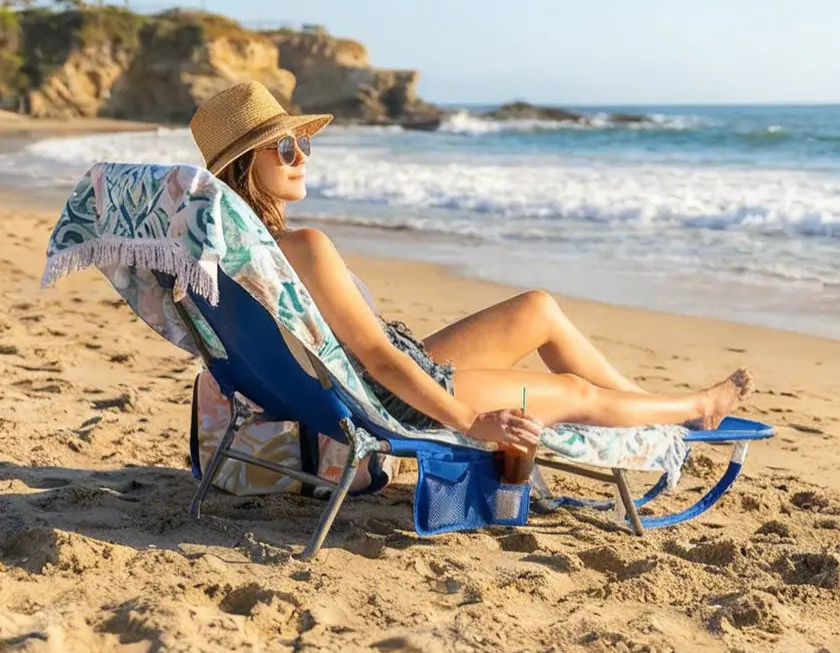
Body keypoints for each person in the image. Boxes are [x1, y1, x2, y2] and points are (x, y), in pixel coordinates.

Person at [190, 81, 755, 450]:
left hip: (386, 375)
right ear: (244, 168)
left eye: (302, 145)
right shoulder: (304, 248)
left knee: (538, 307)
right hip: (400, 400)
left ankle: (644, 406)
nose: (302, 158)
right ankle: (695, 408)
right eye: (285, 149)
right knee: (577, 392)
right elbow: (379, 360)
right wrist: (468, 420)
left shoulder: (232, 256)